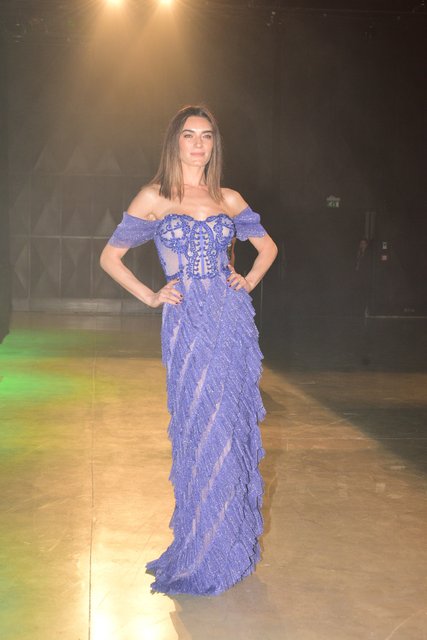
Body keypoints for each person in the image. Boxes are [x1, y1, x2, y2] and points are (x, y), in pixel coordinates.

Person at [100, 105, 278, 596]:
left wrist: (246, 281)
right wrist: (151, 295)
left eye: (206, 136)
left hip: (229, 319)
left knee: (227, 424)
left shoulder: (228, 198)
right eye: (188, 135)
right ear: (174, 142)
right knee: (199, 426)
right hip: (186, 321)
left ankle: (227, 545)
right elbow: (110, 257)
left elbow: (267, 248)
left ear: (214, 144)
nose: (198, 144)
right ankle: (199, 546)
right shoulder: (154, 196)